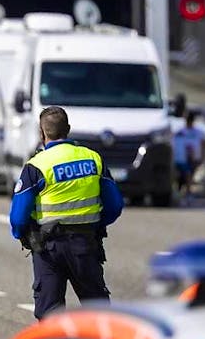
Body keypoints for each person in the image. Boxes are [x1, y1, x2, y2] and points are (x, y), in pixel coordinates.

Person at [9, 106, 124, 321]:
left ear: (41, 133)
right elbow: (115, 205)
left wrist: (23, 235)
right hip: (85, 243)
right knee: (98, 310)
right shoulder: (93, 159)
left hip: (48, 249)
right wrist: (95, 224)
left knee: (50, 314)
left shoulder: (36, 166)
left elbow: (18, 217)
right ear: (68, 129)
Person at [173, 111, 205, 206]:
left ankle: (184, 194)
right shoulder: (180, 132)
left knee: (188, 176)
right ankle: (185, 194)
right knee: (186, 176)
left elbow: (203, 145)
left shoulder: (197, 132)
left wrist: (202, 157)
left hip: (193, 159)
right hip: (181, 159)